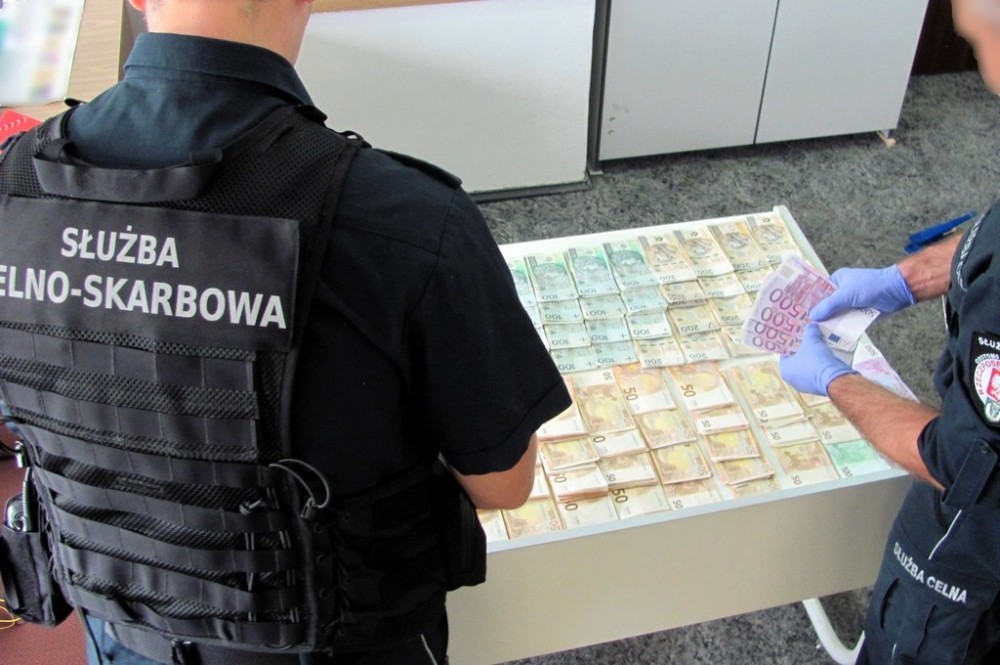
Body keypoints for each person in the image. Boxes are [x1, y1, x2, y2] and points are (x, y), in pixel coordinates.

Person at [0, 1, 571, 663]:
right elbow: (503, 484)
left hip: (122, 632)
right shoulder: (406, 219)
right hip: (341, 644)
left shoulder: (12, 186)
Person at [780, 2, 1000, 661]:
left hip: (975, 567)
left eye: (978, 43)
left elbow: (962, 465)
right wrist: (908, 277)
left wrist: (836, 380)